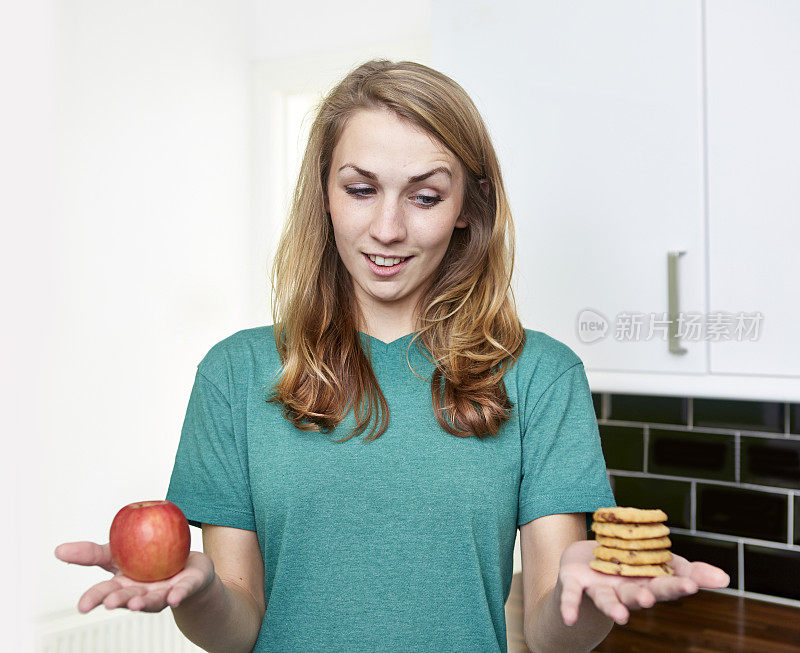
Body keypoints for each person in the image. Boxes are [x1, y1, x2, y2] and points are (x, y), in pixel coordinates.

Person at [54, 59, 730, 652]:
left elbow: (555, 635)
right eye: (360, 188)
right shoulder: (235, 374)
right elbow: (240, 629)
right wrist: (199, 590)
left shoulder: (543, 377)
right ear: (324, 193)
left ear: (468, 206)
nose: (388, 228)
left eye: (426, 195)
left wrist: (583, 597)